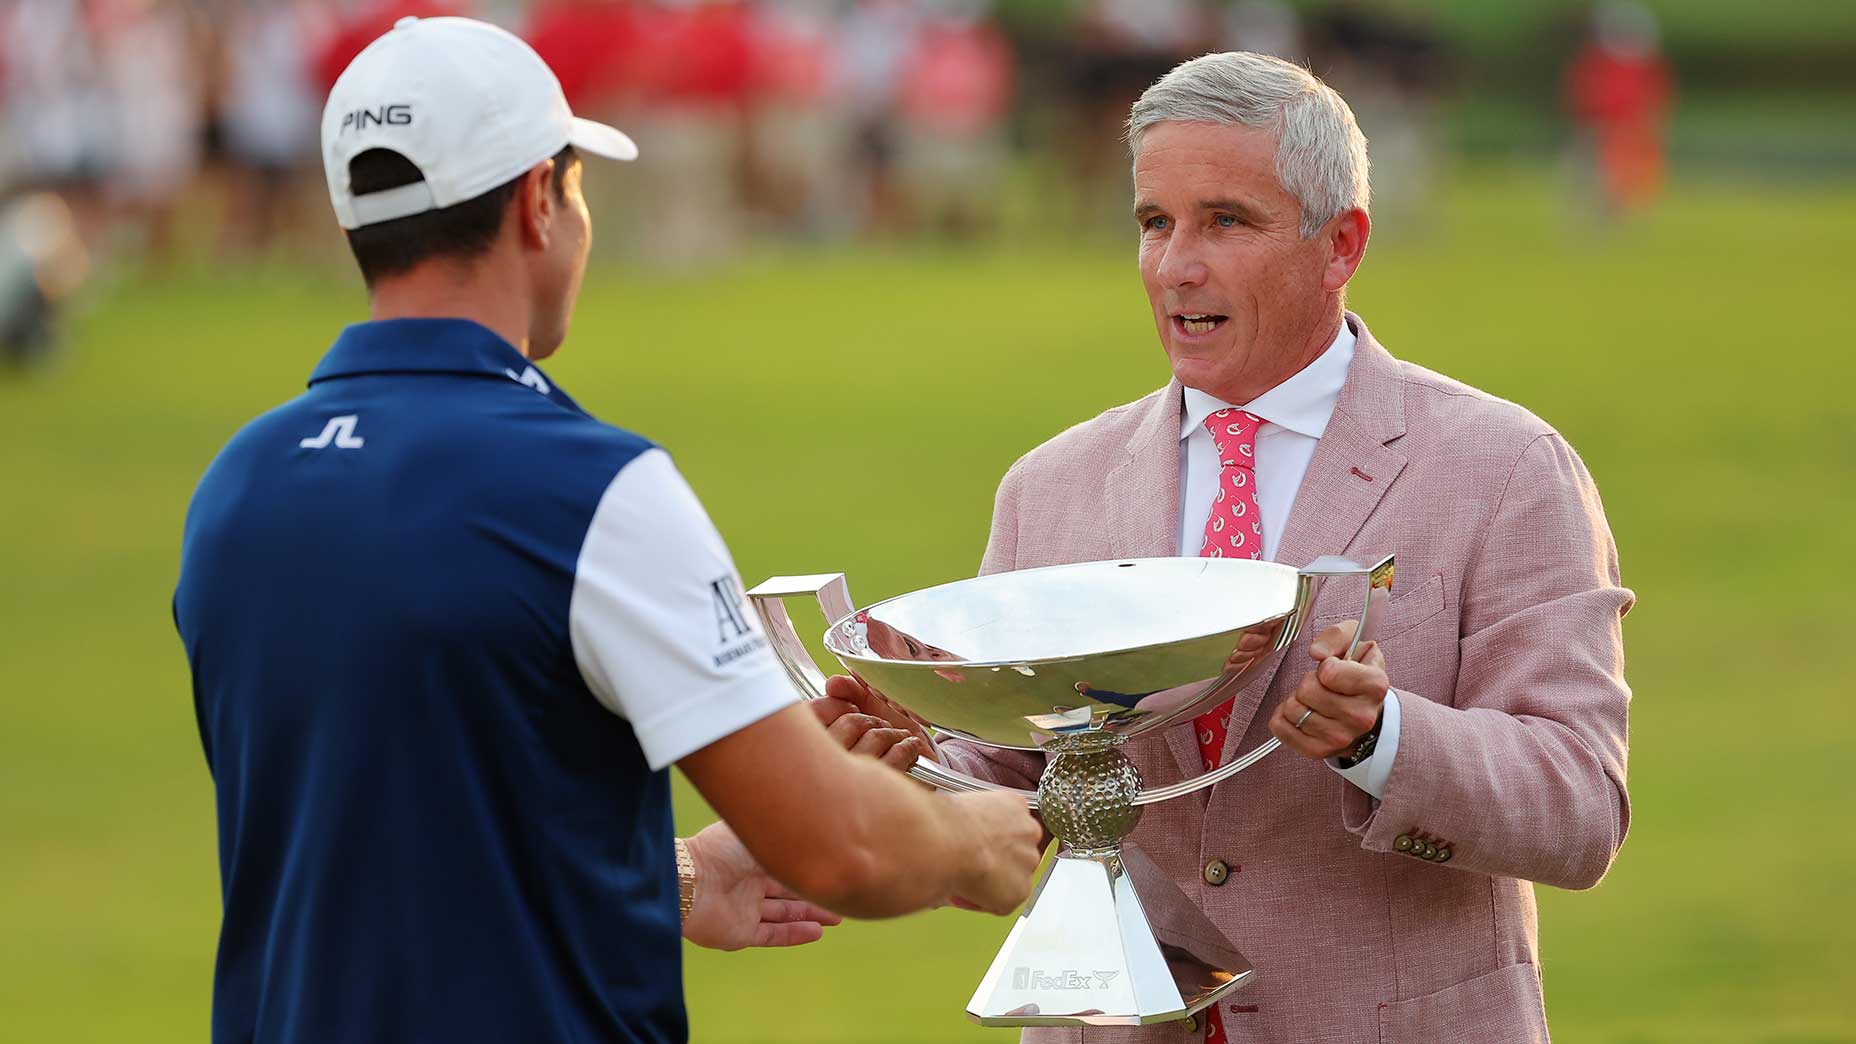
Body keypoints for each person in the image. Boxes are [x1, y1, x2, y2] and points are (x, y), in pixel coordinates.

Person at [171, 17, 1042, 1044]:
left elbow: (394, 832)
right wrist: (970, 836)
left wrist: (675, 877)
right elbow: (840, 846)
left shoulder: (238, 485)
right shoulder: (589, 485)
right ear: (541, 200)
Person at [820, 51, 1633, 1043]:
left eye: (1225, 222)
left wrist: (1382, 740)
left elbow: (1579, 809)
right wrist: (914, 767)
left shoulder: (1504, 468)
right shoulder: (1049, 487)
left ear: (1340, 244)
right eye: (1153, 222)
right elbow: (1026, 779)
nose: (1175, 264)